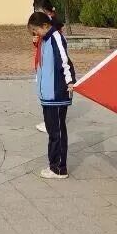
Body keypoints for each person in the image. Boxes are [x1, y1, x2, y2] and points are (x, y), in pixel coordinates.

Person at [28, 12, 75, 181]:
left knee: (57, 132)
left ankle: (59, 168)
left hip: (57, 93)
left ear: (45, 26)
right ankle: (54, 164)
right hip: (47, 94)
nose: (35, 34)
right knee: (52, 131)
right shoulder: (45, 39)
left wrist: (70, 81)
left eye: (36, 30)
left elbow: (65, 61)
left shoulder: (55, 38)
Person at [33, 0, 65, 133]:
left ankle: (51, 123)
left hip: (49, 66)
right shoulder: (43, 26)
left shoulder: (53, 29)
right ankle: (49, 121)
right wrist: (36, 41)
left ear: (49, 12)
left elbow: (60, 54)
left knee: (49, 93)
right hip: (42, 63)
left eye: (41, 12)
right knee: (43, 92)